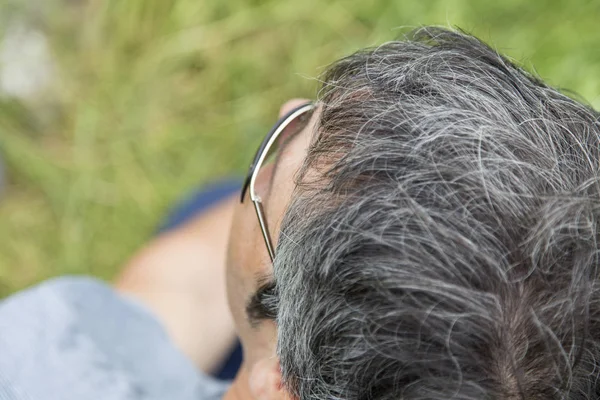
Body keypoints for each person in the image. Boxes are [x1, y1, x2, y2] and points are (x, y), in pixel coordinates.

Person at [1, 26, 600, 400]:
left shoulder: (34, 364)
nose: (288, 105)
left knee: (213, 207)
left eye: (284, 138)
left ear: (276, 385)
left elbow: (147, 312)